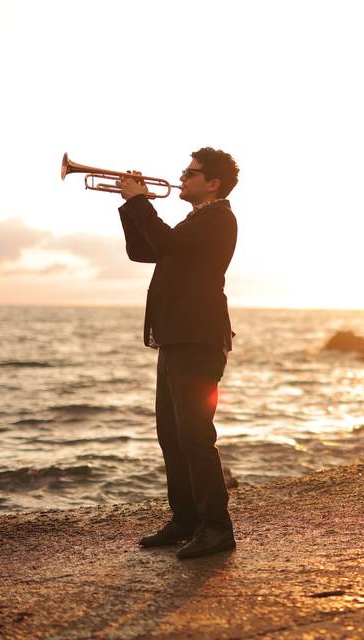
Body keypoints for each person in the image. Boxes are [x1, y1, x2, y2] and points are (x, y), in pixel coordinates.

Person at [116, 147, 239, 560]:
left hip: (198, 340)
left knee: (195, 437)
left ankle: (217, 529)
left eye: (190, 173)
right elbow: (145, 250)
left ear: (213, 183)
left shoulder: (218, 219)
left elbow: (164, 239)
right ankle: (185, 520)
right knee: (171, 436)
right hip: (175, 337)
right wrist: (131, 206)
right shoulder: (194, 220)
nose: (182, 179)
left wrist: (139, 201)